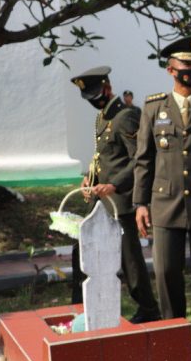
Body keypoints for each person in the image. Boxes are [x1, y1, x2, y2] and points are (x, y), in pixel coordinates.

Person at [133, 37, 191, 361]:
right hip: (164, 204)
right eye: (187, 66)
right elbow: (143, 160)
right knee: (167, 271)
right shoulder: (153, 108)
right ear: (171, 69)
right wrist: (139, 204)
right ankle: (172, 335)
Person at [68, 66, 160, 323]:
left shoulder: (126, 116)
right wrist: (91, 177)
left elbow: (139, 159)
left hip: (120, 201)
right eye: (90, 97)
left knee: (129, 258)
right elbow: (104, 156)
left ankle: (149, 308)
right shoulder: (102, 118)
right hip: (101, 200)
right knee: (81, 248)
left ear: (107, 88)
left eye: (97, 94)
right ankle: (82, 306)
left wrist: (115, 185)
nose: (95, 100)